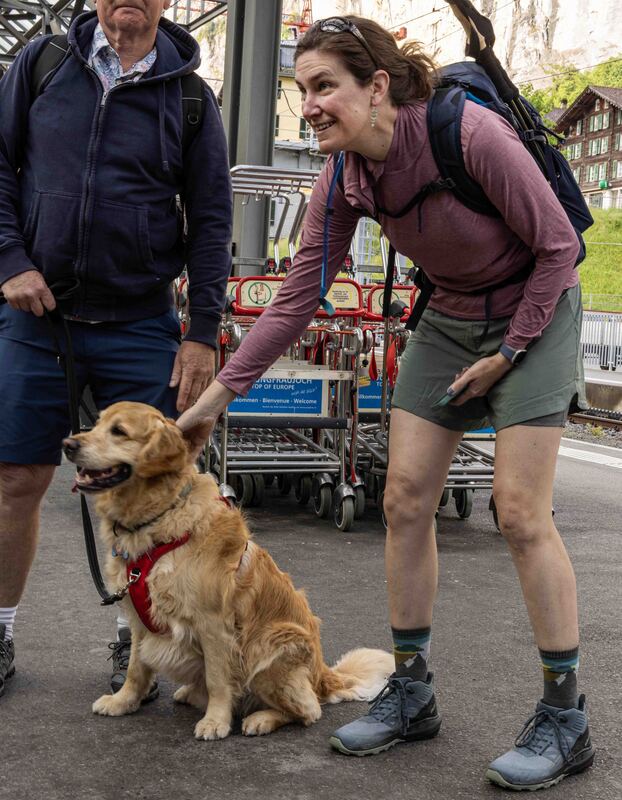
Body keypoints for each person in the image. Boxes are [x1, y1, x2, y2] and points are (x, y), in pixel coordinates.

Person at [177, 15, 594, 791]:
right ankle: (411, 691)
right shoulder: (344, 177)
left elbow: (559, 247)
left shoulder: (467, 134)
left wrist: (509, 354)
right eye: (304, 90)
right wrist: (215, 401)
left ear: (377, 87)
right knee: (402, 499)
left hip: (536, 310)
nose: (310, 106)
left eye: (325, 86)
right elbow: (297, 297)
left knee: (518, 511)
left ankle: (565, 717)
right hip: (452, 316)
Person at [0, 0, 232, 701]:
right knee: (16, 480)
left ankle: (140, 640)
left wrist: (202, 331)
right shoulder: (43, 65)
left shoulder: (190, 98)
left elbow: (211, 216)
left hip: (138, 322)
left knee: (154, 487)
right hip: (38, 316)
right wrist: (10, 259)